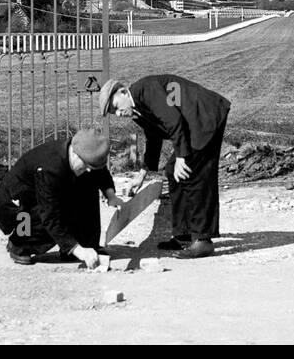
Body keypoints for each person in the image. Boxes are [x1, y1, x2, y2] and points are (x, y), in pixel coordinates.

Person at [98, 74, 230, 259]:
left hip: (205, 116)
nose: (119, 114)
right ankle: (183, 234)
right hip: (191, 124)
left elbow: (173, 121)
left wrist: (182, 158)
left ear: (123, 92)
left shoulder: (146, 89)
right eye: (114, 113)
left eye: (116, 108)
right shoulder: (137, 108)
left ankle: (203, 240)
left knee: (194, 173)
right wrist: (142, 175)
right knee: (172, 171)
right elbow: (154, 137)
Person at [0, 124, 121, 266]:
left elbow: (99, 171)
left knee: (87, 183)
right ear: (75, 154)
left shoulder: (84, 152)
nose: (89, 170)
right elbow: (50, 216)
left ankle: (84, 244)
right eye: (86, 166)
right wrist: (77, 250)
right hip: (19, 203)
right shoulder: (49, 168)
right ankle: (19, 244)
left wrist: (111, 196)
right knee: (43, 219)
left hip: (48, 193)